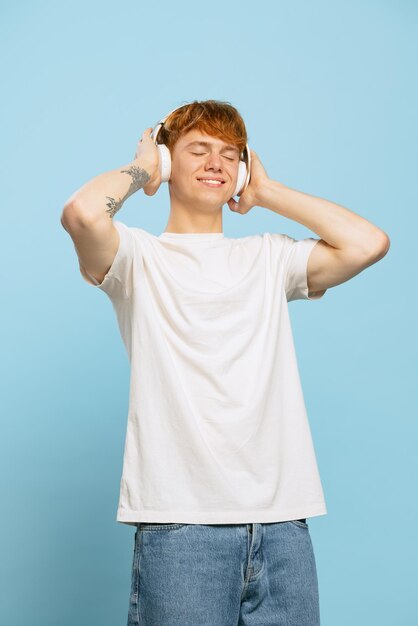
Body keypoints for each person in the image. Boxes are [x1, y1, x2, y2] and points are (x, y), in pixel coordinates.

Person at [60, 100, 390, 626]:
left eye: (230, 154)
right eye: (199, 150)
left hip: (283, 527)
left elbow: (368, 243)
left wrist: (266, 192)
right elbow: (81, 213)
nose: (216, 162)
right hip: (181, 529)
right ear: (171, 162)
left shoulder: (269, 256)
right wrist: (146, 169)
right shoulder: (136, 259)